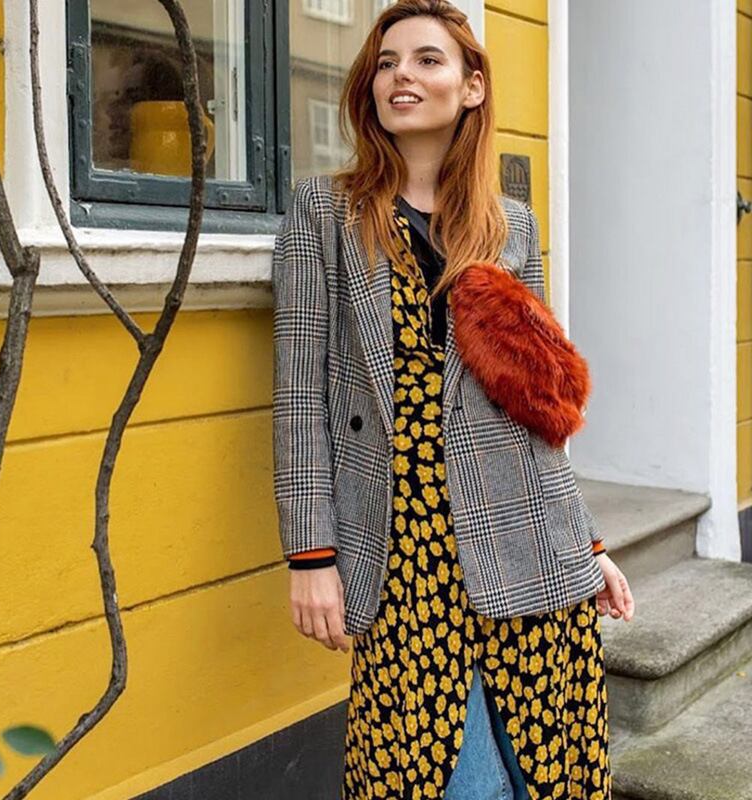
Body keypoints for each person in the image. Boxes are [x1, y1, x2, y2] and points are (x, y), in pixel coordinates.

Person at [271, 2, 635, 798]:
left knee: (544, 772)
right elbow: (298, 394)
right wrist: (311, 556)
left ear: (472, 87)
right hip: (405, 551)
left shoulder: (511, 228)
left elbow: (540, 411)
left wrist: (588, 544)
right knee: (440, 778)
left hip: (527, 543)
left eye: (426, 60)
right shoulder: (324, 214)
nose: (399, 75)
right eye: (386, 61)